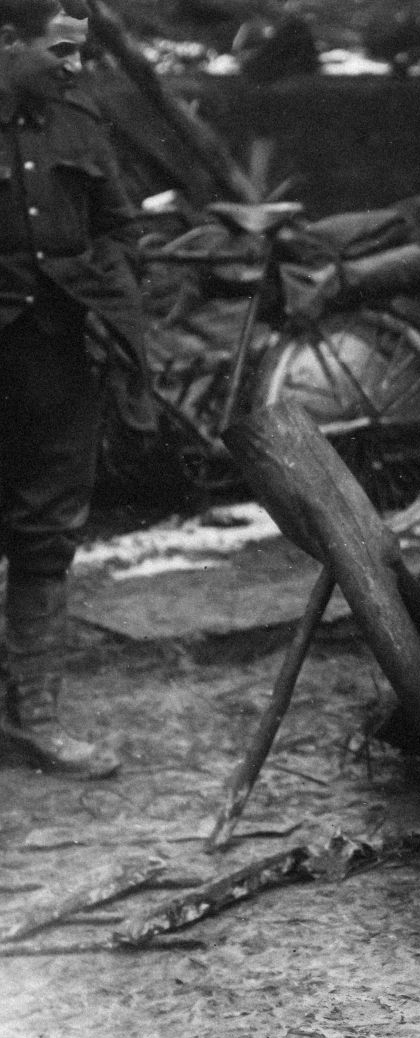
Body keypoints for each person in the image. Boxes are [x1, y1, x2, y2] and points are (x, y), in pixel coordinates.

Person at [0, 0, 146, 779]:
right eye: (59, 49)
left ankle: (37, 717)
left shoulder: (80, 122)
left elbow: (120, 226)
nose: (72, 65)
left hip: (59, 354)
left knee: (47, 528)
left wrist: (108, 300)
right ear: (6, 41)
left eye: (80, 51)